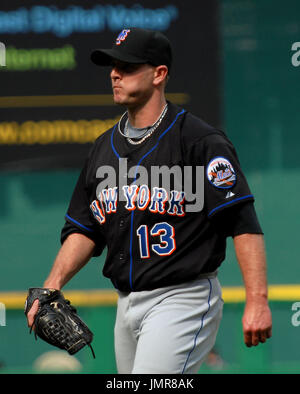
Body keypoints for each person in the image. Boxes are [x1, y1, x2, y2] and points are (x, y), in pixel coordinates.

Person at [26, 27, 272, 374]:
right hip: (126, 304)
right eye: (112, 66)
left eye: (126, 66)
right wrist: (51, 286)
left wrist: (257, 300)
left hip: (183, 297)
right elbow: (84, 228)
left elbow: (243, 223)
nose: (114, 73)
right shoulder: (102, 148)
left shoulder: (200, 141)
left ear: (159, 74)